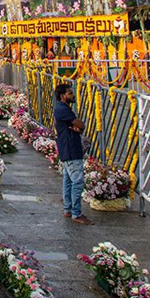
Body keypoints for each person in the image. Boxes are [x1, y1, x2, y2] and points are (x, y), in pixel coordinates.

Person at [53, 81, 91, 224]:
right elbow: (81, 125)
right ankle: (76, 213)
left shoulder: (62, 108)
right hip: (71, 149)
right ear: (63, 96)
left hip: (67, 148)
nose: (73, 95)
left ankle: (68, 209)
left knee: (68, 180)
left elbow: (78, 127)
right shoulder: (63, 109)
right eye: (70, 93)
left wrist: (77, 127)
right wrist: (77, 126)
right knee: (77, 181)